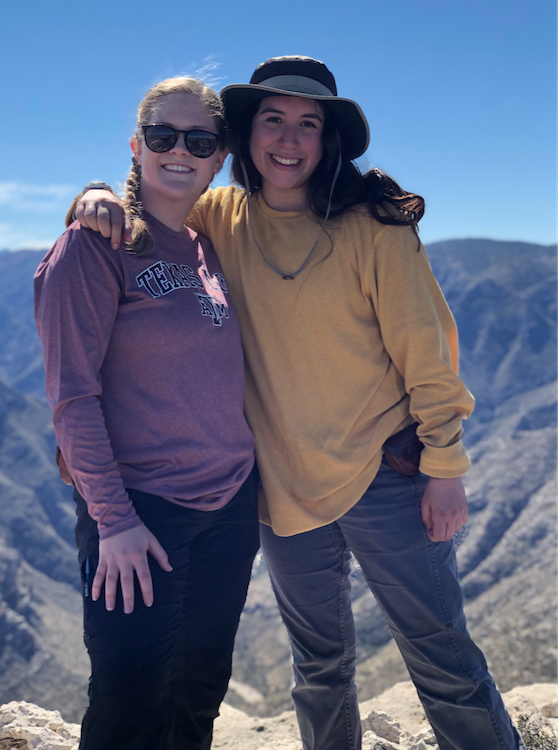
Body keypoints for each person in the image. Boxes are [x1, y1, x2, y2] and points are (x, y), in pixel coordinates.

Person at [68, 57, 526, 750]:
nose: (289, 139)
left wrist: (447, 464)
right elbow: (153, 197)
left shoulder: (375, 226)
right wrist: (95, 193)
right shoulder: (218, 217)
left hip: (387, 477)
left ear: (328, 138)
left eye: (307, 124)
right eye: (273, 121)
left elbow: (426, 352)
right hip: (282, 489)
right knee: (317, 666)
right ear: (245, 139)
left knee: (440, 657)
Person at [34, 77, 258, 750]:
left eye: (199, 140)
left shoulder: (207, 243)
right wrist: (114, 520)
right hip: (143, 513)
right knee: (130, 703)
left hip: (229, 509)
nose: (179, 151)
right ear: (137, 147)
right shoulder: (93, 246)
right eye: (163, 136)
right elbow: (72, 396)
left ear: (220, 157)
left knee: (199, 691)